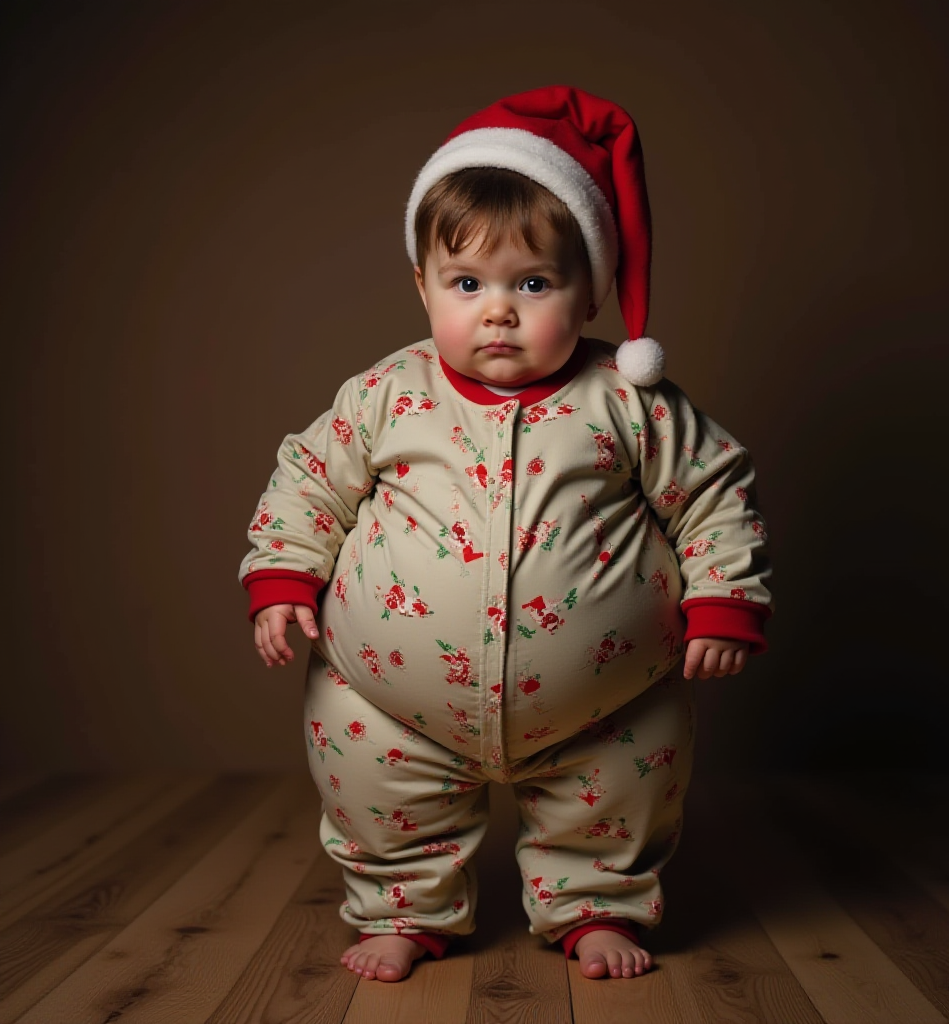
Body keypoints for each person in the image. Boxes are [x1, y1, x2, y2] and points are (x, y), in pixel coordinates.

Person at [239, 86, 772, 983]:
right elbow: (309, 481)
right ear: (421, 285)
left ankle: (596, 907)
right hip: (388, 698)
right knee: (377, 791)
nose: (498, 311)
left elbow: (712, 490)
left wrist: (724, 602)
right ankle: (403, 908)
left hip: (608, 697)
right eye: (467, 283)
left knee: (615, 794)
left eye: (533, 283)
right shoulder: (386, 395)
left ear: (589, 291)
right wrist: (282, 578)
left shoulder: (628, 401)